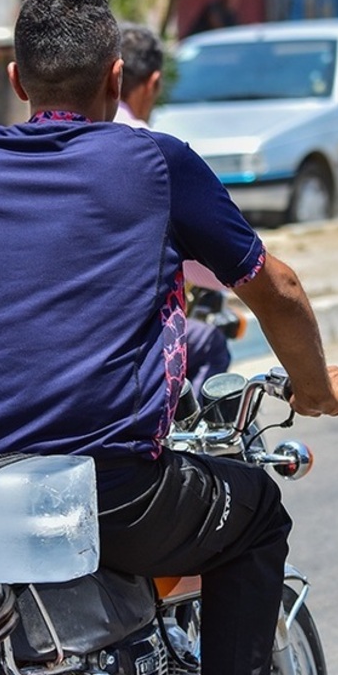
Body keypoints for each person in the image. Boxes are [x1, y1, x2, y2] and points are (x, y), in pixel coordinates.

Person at [0, 0, 338, 675]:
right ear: (118, 82)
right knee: (255, 517)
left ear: (16, 81)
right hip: (108, 489)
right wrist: (316, 391)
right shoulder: (155, 162)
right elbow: (276, 287)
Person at [114, 22, 232, 397]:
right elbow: (211, 251)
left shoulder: (31, 151)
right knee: (210, 343)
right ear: (153, 83)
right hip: (125, 334)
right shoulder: (155, 155)